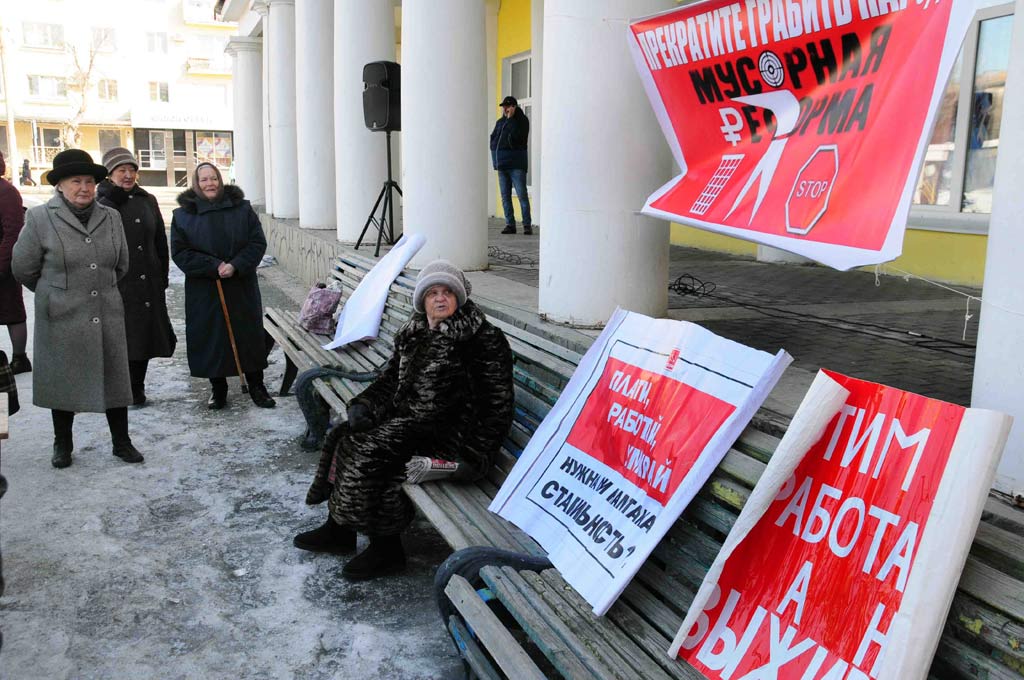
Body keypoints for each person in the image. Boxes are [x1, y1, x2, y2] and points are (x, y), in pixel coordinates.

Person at [293, 260, 515, 580]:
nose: (440, 299)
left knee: (371, 452)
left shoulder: (481, 340)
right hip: (411, 423)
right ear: (423, 300)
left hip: (451, 436)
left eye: (448, 292)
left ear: (459, 298)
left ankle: (387, 549)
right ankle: (339, 529)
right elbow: (388, 380)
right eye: (433, 293)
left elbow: (498, 406)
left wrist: (473, 457)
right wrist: (365, 404)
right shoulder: (415, 332)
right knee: (344, 434)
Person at [12, 149, 145, 468]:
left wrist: (97, 289)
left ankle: (121, 442)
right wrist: (58, 292)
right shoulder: (40, 218)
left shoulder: (111, 216)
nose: (85, 187)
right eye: (76, 181)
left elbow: (121, 263)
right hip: (61, 316)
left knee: (115, 378)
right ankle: (63, 444)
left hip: (106, 310)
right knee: (63, 382)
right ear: (60, 185)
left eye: (89, 181)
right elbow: (23, 268)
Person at [170, 162, 275, 409]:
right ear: (196, 183)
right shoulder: (183, 215)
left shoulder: (242, 208)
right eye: (204, 179)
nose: (210, 183)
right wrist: (213, 265)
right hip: (205, 288)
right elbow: (180, 252)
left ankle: (257, 385)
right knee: (210, 336)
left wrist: (236, 264)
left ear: (221, 179)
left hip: (240, 284)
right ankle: (218, 388)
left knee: (247, 334)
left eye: (213, 178)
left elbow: (257, 242)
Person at [97, 148, 176, 406]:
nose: (128, 175)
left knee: (145, 336)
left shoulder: (147, 199)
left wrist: (162, 275)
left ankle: (137, 387)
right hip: (120, 282)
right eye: (122, 170)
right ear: (110, 174)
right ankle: (123, 389)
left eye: (132, 170)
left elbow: (159, 241)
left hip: (149, 280)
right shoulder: (103, 203)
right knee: (124, 338)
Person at [0, 152, 29, 374]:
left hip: (5, 262)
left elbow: (13, 232)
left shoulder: (7, 192)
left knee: (12, 311)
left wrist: (2, 263)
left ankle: (19, 358)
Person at [489, 95, 532, 235]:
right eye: (504, 107)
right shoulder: (500, 122)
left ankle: (527, 225)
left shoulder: (521, 121)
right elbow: (493, 137)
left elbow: (518, 138)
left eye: (507, 106)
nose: (505, 109)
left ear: (514, 107)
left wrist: (511, 120)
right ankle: (510, 224)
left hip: (516, 165)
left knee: (522, 195)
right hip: (502, 165)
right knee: (505, 196)